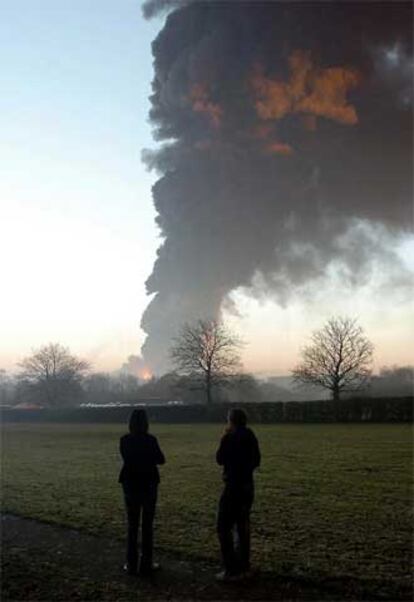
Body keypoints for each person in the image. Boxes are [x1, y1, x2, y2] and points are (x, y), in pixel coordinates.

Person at [119, 408, 165, 576]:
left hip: (130, 483)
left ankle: (131, 564)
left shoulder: (124, 440)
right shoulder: (151, 440)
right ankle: (146, 563)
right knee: (147, 525)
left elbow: (126, 458)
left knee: (132, 525)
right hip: (148, 483)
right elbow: (161, 459)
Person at [216, 408, 261, 581]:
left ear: (231, 421)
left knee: (223, 526)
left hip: (232, 485)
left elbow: (219, 459)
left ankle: (231, 568)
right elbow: (257, 460)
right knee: (242, 525)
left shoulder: (229, 437)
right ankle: (244, 565)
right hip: (247, 485)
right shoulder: (250, 435)